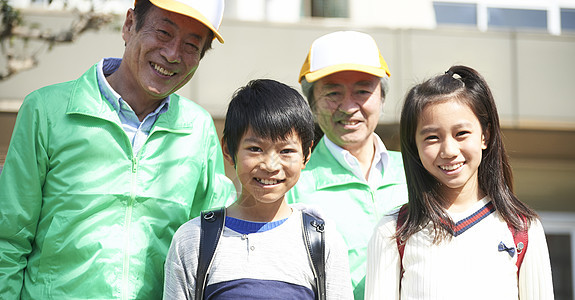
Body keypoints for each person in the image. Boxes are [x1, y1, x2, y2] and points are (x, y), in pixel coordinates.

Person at [0, 0, 235, 298]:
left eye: (191, 45)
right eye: (163, 33)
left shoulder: (198, 129)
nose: (173, 54)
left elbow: (213, 245)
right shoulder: (45, 111)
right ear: (129, 25)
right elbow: (8, 239)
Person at [365, 65, 554, 299]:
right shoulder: (393, 232)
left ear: (485, 135)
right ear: (414, 145)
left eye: (461, 134)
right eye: (432, 137)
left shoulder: (522, 228)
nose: (449, 151)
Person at [163, 79, 354, 299]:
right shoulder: (193, 239)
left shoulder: (322, 242)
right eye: (255, 149)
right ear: (228, 149)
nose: (270, 166)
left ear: (306, 154)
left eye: (286, 151)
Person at [286, 30, 408, 299]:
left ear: (382, 98)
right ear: (312, 103)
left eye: (363, 91)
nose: (349, 106)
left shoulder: (417, 171)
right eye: (333, 93)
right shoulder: (293, 183)